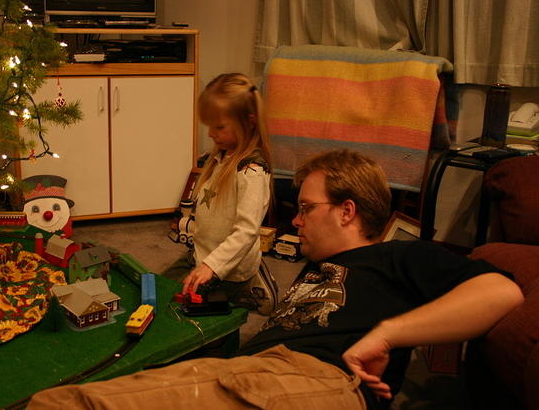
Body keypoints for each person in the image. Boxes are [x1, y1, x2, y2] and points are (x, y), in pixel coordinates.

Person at [27, 149, 523, 410]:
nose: (296, 221)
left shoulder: (398, 255)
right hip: (254, 370)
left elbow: (502, 290)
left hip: (315, 381)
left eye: (306, 209)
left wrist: (386, 334)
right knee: (53, 399)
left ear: (348, 211)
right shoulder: (317, 270)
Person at [164, 72, 278, 315]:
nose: (210, 134)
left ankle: (249, 286)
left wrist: (211, 267)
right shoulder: (219, 156)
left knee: (190, 314)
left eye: (219, 127)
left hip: (228, 269)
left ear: (248, 122)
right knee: (159, 289)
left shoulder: (252, 172)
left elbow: (247, 231)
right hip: (201, 254)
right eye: (209, 126)